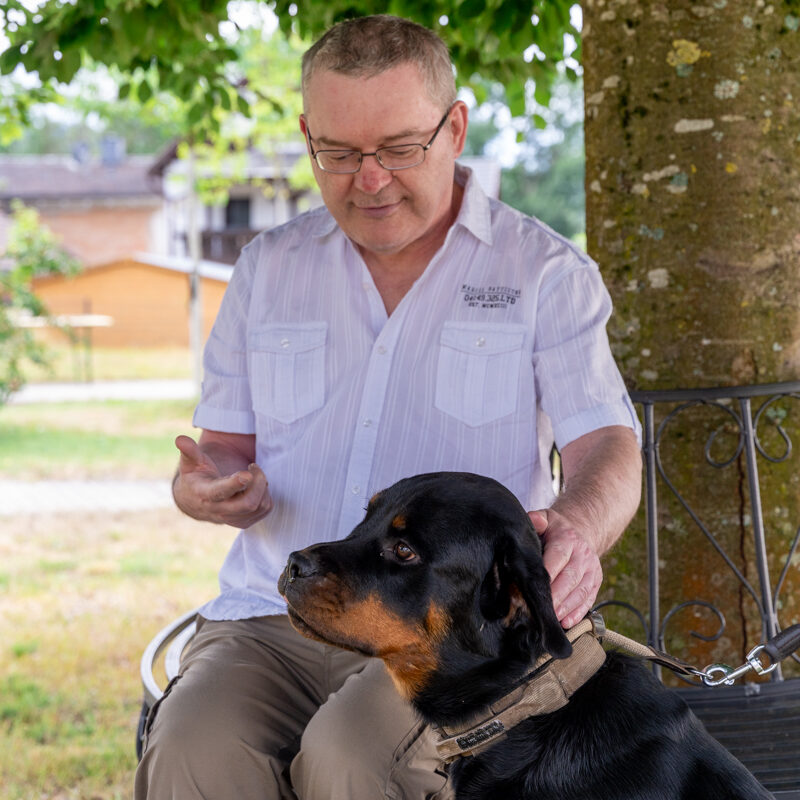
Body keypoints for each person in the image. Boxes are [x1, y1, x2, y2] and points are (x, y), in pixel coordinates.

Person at [135, 14, 642, 800]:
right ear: (307, 137)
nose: (369, 179)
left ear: (455, 129)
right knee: (191, 748)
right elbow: (224, 448)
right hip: (273, 614)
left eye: (400, 149)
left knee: (350, 756)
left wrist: (577, 526)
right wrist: (208, 485)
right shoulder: (267, 269)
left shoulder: (544, 273)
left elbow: (607, 444)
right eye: (338, 153)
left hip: (444, 635)